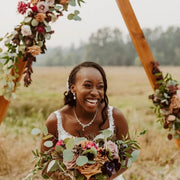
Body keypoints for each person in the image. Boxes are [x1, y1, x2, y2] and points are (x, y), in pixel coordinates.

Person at [41, 61, 129, 180]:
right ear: (73, 88)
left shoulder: (115, 116)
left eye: (100, 87)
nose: (94, 92)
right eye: (87, 85)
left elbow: (128, 156)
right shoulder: (55, 121)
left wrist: (105, 178)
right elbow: (45, 164)